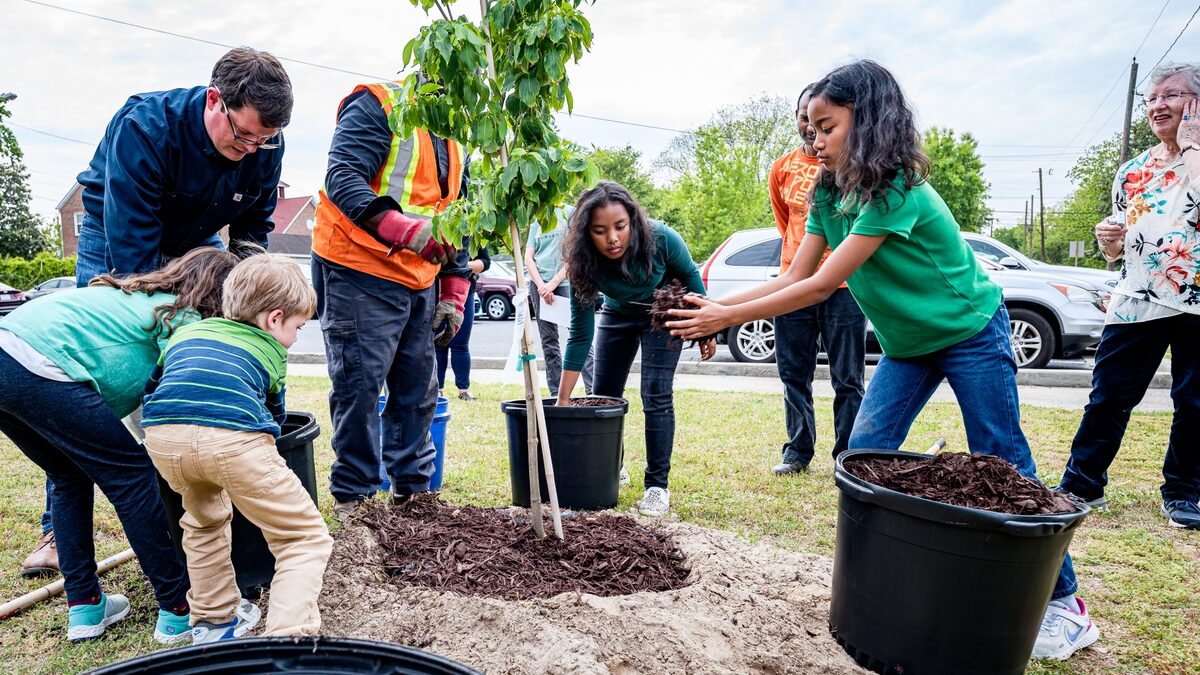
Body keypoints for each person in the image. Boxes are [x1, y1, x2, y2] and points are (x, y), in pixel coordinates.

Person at [667, 60, 1097, 661]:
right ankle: (875, 582)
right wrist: (715, 305)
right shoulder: (824, 191)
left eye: (825, 126)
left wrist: (724, 319)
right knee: (861, 455)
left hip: (970, 331)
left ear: (866, 120)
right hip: (908, 347)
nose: (813, 140)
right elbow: (795, 271)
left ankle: (1064, 604)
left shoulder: (897, 188)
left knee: (1002, 458)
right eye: (808, 130)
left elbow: (822, 287)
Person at [20, 46, 294, 578]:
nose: (252, 149)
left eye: (265, 140)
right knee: (90, 382)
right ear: (215, 100)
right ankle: (59, 529)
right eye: (242, 136)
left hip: (198, 240)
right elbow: (135, 259)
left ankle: (206, 484)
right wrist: (171, 326)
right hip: (117, 238)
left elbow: (253, 232)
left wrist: (250, 304)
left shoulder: (262, 143)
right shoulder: (145, 127)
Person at [0, 247, 239, 643]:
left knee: (66, 475)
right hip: (41, 362)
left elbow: (139, 397)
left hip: (8, 351)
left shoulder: (133, 297)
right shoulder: (185, 318)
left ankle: (86, 607)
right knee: (132, 476)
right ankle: (178, 608)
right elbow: (170, 400)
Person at [143, 255, 332, 641]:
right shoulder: (269, 348)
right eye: (297, 326)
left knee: (202, 523)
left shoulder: (187, 333)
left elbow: (154, 386)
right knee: (303, 537)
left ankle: (213, 623)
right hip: (233, 440)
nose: (295, 338)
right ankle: (288, 638)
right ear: (274, 318)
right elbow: (273, 417)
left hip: (164, 439)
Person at [312, 80, 471, 514]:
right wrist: (405, 231)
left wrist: (454, 290)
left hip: (420, 277)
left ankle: (413, 494)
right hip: (358, 267)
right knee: (359, 387)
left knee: (418, 392)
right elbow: (342, 177)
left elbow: (460, 211)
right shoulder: (379, 104)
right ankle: (356, 499)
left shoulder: (458, 127)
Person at [1056, 62, 1200, 530]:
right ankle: (1081, 485)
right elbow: (1120, 249)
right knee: (1108, 397)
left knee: (1194, 402)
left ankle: (1183, 491)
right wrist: (1109, 243)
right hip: (1137, 298)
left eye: (1173, 95)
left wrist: (1193, 146)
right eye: (1153, 98)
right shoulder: (1134, 170)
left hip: (1196, 301)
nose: (1159, 105)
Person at [556, 182, 717, 518]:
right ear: (587, 233)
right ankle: (611, 467)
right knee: (603, 395)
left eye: (620, 227)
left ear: (633, 221)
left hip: (663, 310)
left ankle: (657, 486)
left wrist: (707, 329)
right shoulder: (583, 264)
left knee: (655, 394)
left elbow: (690, 275)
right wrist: (562, 399)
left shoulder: (661, 238)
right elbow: (580, 333)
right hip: (617, 313)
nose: (612, 239)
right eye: (600, 231)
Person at [765, 84, 866, 474]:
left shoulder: (848, 168)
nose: (811, 128)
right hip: (794, 284)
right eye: (804, 118)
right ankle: (797, 450)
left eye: (820, 121)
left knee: (848, 379)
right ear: (797, 118)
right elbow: (785, 223)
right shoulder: (782, 168)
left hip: (843, 287)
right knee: (793, 374)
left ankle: (846, 455)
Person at [525, 208, 594, 397]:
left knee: (580, 335)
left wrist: (554, 282)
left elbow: (575, 254)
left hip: (565, 283)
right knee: (549, 341)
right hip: (539, 286)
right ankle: (556, 393)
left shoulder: (569, 213)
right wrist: (541, 286)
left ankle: (592, 390)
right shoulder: (537, 217)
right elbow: (528, 258)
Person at [437, 245, 490, 401]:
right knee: (438, 343)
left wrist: (464, 266)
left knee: (461, 343)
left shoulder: (473, 230)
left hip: (465, 291)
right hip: (440, 289)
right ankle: (437, 389)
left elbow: (486, 261)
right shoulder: (440, 226)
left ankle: (463, 389)